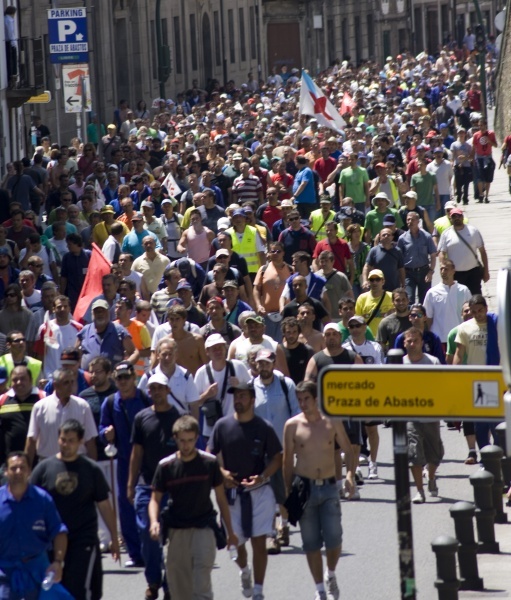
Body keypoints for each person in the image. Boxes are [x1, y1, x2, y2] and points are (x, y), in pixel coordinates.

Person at [207, 381, 283, 600]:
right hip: (232, 496)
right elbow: (210, 454)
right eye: (236, 396)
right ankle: (244, 571)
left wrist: (263, 476)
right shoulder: (222, 426)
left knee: (259, 543)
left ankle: (258, 591)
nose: (238, 400)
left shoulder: (264, 427)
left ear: (252, 399)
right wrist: (221, 473)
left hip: (260, 493)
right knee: (236, 543)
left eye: (242, 396)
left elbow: (278, 458)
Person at [149, 415, 238, 600]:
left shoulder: (210, 463)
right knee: (179, 590)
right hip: (177, 531)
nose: (186, 445)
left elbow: (221, 499)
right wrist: (153, 522)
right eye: (182, 441)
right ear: (175, 439)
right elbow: (155, 499)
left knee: (201, 586)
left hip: (203, 528)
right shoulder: (166, 466)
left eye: (190, 440)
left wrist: (230, 531)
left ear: (197, 438)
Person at [31, 419, 120, 600]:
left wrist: (114, 537)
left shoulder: (91, 469)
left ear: (80, 442)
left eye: (71, 440)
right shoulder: (43, 469)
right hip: (52, 539)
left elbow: (104, 505)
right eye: (63, 440)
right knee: (54, 588)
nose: (66, 445)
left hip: (83, 539)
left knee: (80, 589)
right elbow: (30, 501)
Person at [283, 380, 355, 600]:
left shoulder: (331, 421)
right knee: (311, 543)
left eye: (307, 399)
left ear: (316, 399)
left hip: (329, 487)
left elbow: (349, 450)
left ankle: (330, 573)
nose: (303, 403)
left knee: (334, 538)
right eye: (300, 399)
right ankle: (320, 589)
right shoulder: (292, 425)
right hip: (304, 489)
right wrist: (285, 498)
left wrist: (350, 475)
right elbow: (287, 462)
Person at [128, 373, 181, 600]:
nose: (156, 392)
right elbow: (136, 453)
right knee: (146, 531)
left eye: (160, 388)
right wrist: (130, 484)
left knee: (171, 538)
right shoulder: (141, 418)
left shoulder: (177, 418)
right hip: (145, 486)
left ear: (168, 390)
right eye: (152, 389)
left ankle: (170, 584)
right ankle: (153, 581)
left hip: (172, 487)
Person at [99, 361, 151, 568]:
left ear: (133, 378)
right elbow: (102, 428)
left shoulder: (145, 398)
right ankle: (134, 553)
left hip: (146, 461)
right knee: (126, 506)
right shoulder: (110, 403)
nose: (123, 381)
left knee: (146, 505)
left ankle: (149, 548)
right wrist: (106, 434)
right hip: (122, 462)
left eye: (127, 377)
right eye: (119, 378)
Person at [0, 451, 70, 600]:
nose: (18, 471)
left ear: (29, 471)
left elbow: (58, 532)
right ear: (6, 471)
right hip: (5, 573)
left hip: (38, 572)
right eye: (13, 468)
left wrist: (58, 562)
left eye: (22, 467)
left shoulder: (43, 499)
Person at [253, 348, 300, 554]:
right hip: (260, 449)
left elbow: (296, 412)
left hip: (284, 447)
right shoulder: (249, 387)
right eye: (260, 363)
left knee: (284, 490)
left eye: (267, 363)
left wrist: (298, 440)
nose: (264, 366)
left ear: (273, 364)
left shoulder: (285, 384)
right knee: (266, 492)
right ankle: (273, 533)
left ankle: (284, 524)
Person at [453, 295, 500, 454]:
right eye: (473, 311)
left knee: (498, 423)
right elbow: (459, 354)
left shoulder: (497, 324)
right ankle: (486, 456)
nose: (477, 314)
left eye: (480, 310)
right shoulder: (464, 328)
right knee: (480, 424)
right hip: (476, 381)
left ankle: (500, 457)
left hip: (496, 378)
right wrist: (455, 376)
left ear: (486, 309)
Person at [402, 327, 444, 504]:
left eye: (415, 341)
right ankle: (419, 491)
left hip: (431, 416)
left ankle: (431, 476)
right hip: (410, 417)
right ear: (404, 343)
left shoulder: (433, 362)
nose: (412, 344)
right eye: (409, 341)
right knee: (414, 455)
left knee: (436, 454)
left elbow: (443, 386)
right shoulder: (398, 363)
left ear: (422, 343)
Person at [25, 368, 98, 465]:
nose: (70, 386)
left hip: (77, 464)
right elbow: (31, 441)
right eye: (66, 383)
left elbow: (90, 441)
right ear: (55, 385)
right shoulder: (40, 407)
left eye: (72, 382)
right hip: (48, 464)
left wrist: (93, 470)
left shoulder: (83, 406)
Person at [194, 333, 251, 439]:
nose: (218, 351)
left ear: (225, 348)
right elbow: (194, 403)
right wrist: (207, 394)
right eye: (214, 348)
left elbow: (253, 393)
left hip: (237, 427)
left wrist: (240, 386)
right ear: (207, 352)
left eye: (220, 347)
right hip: (211, 431)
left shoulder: (238, 366)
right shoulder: (202, 373)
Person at [437, 207, 489, 294]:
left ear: (463, 217)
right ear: (450, 218)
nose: (457, 218)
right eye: (454, 216)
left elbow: (483, 252)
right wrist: (444, 270)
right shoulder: (446, 234)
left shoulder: (473, 231)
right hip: (455, 274)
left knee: (475, 297)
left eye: (459, 215)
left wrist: (486, 271)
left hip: (473, 272)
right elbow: (442, 253)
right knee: (458, 300)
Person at [0, 366, 45, 466]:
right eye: (15, 380)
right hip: (9, 464)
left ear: (31, 380)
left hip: (39, 463)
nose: (19, 382)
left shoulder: (43, 398)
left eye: (23, 379)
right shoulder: (2, 401)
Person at [77, 299, 139, 371]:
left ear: (108, 313)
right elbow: (74, 353)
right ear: (92, 314)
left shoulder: (119, 330)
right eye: (97, 311)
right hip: (87, 379)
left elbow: (134, 352)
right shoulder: (85, 331)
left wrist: (125, 365)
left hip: (112, 379)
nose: (100, 314)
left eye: (103, 311)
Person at [423, 260, 472, 346]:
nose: (443, 272)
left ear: (453, 271)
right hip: (439, 339)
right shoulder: (432, 292)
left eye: (446, 269)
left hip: (459, 337)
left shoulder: (464, 290)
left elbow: (471, 314)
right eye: (441, 269)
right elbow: (428, 318)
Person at [253, 241, 292, 343]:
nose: (275, 254)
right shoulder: (263, 269)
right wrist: (258, 305)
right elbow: (256, 289)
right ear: (268, 254)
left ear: (283, 253)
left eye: (278, 251)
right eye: (272, 251)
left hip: (285, 315)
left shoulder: (291, 270)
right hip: (267, 315)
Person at [396, 211, 437, 303]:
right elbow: (399, 258)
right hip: (409, 273)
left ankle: (423, 317)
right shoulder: (402, 239)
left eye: (412, 219)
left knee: (425, 300)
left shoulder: (426, 236)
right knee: (409, 299)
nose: (409, 222)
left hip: (424, 272)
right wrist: (401, 275)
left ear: (418, 221)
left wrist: (431, 272)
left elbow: (433, 255)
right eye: (408, 220)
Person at [355, 270, 394, 337]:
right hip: (368, 340)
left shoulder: (391, 297)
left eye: (377, 279)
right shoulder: (362, 298)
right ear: (368, 282)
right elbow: (357, 319)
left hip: (387, 340)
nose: (374, 282)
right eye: (372, 280)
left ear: (383, 281)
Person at [279, 317, 314, 384]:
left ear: (299, 333)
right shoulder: (279, 351)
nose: (291, 335)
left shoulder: (307, 351)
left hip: (302, 390)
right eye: (288, 332)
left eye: (294, 332)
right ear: (284, 333)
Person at [376, 288, 411, 354]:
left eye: (403, 299)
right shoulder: (385, 322)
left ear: (408, 301)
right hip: (395, 361)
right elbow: (380, 347)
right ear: (393, 302)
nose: (401, 303)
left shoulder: (415, 320)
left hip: (414, 362)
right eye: (397, 300)